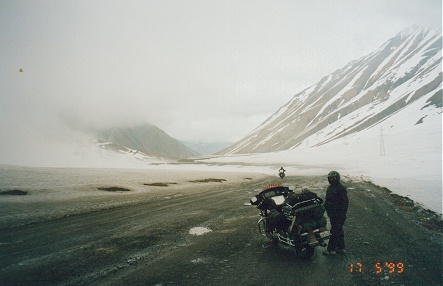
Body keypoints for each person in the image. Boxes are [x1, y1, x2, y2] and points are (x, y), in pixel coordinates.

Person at [323, 171, 348, 255]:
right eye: (330, 178)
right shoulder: (330, 187)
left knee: (334, 231)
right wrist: (324, 207)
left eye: (334, 178)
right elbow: (328, 201)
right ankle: (341, 248)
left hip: (339, 214)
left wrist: (341, 213)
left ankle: (331, 249)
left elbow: (345, 203)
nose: (332, 180)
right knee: (339, 230)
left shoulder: (341, 188)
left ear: (337, 178)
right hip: (332, 214)